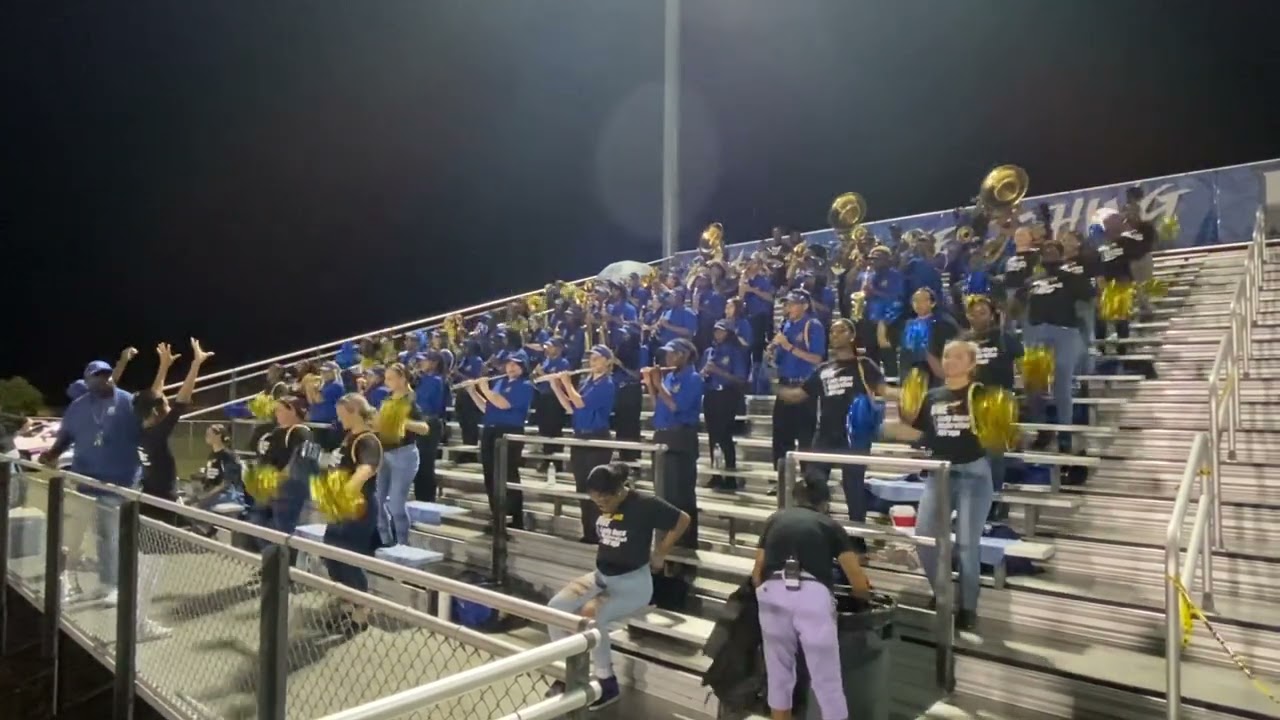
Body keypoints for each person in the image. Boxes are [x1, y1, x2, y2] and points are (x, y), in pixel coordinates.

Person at [544, 463, 690, 710]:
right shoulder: (603, 502)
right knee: (555, 608)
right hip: (601, 576)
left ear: (619, 491)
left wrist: (661, 552)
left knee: (592, 616)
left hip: (634, 584)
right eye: (595, 499)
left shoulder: (644, 504)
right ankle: (567, 672)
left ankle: (607, 682)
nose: (599, 504)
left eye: (604, 500)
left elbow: (683, 519)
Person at [882, 340, 994, 631]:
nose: (949, 361)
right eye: (946, 356)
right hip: (939, 474)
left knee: (968, 544)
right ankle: (942, 594)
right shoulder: (932, 396)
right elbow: (920, 435)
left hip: (973, 475)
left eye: (957, 357)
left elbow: (990, 437)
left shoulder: (980, 394)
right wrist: (896, 427)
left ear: (972, 364)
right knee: (924, 539)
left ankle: (968, 607)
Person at [750, 477, 873, 720]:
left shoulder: (774, 519)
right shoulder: (829, 525)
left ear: (795, 498)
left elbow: (757, 572)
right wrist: (862, 601)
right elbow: (856, 578)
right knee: (826, 681)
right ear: (825, 504)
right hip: (812, 597)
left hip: (772, 593)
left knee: (779, 675)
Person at [777, 319, 891, 553]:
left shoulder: (864, 364)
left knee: (854, 488)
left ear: (852, 335)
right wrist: (776, 388)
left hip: (854, 435)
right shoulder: (823, 369)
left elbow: (883, 390)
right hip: (826, 434)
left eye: (841, 330)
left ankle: (857, 539)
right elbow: (799, 394)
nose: (835, 334)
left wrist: (908, 395)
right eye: (832, 330)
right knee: (813, 483)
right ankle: (815, 531)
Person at [39, 352, 143, 606]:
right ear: (87, 381)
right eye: (98, 375)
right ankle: (97, 582)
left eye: (107, 374)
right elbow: (66, 436)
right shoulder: (78, 407)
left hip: (118, 480)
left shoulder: (127, 401)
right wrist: (52, 454)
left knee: (109, 534)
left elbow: (147, 429)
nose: (105, 379)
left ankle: (114, 586)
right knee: (87, 535)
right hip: (85, 479)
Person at [321, 393, 384, 632]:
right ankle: (347, 606)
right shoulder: (350, 438)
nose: (339, 419)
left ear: (353, 410)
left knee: (348, 560)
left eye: (341, 414)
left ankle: (361, 613)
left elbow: (366, 469)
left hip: (357, 507)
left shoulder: (367, 440)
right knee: (332, 556)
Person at [133, 339, 214, 521]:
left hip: (147, 496)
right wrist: (196, 364)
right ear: (155, 411)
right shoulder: (157, 435)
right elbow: (182, 401)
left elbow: (155, 397)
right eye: (165, 405)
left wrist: (163, 366)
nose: (168, 406)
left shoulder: (141, 428)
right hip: (163, 503)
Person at [1024, 240, 1089, 454]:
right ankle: (1043, 431)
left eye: (1053, 250)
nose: (1048, 252)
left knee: (1062, 384)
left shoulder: (1072, 277)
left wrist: (1084, 331)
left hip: (1064, 331)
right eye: (1045, 250)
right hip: (1037, 332)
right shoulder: (1032, 281)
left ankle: (1064, 435)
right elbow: (1015, 305)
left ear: (1061, 255)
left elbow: (1089, 299)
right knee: (1034, 386)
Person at [548, 345, 617, 543]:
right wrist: (556, 386)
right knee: (582, 487)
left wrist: (567, 382)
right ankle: (588, 531)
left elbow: (581, 403)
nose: (592, 362)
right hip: (580, 437)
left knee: (597, 488)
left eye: (596, 358)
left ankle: (599, 533)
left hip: (597, 437)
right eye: (591, 359)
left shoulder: (607, 384)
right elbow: (571, 407)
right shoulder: (587, 382)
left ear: (607, 361)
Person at [962, 296, 1022, 520]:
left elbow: (1021, 361)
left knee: (995, 454)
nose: (978, 317)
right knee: (973, 453)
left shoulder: (1004, 338)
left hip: (999, 398)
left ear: (991, 314)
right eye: (973, 313)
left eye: (982, 312)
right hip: (971, 398)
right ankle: (976, 500)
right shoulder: (964, 340)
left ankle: (995, 500)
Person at [643, 338, 703, 550]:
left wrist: (659, 384)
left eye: (673, 354)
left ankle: (685, 543)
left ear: (685, 355)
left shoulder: (693, 378)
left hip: (681, 438)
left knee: (681, 495)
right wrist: (652, 384)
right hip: (662, 435)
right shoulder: (669, 377)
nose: (667, 358)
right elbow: (659, 404)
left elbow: (676, 407)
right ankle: (666, 541)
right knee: (664, 492)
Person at [467, 350, 535, 531]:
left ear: (522, 367)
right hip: (490, 430)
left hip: (508, 432)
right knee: (489, 474)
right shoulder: (499, 382)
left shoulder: (525, 385)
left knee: (507, 474)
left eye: (515, 364)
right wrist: (473, 392)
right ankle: (497, 514)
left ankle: (516, 516)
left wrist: (485, 389)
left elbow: (503, 404)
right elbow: (488, 407)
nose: (511, 367)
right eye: (508, 364)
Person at [770, 290, 826, 476]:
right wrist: (772, 353)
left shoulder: (812, 325)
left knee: (805, 437)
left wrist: (789, 346)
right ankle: (782, 479)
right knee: (780, 435)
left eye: (792, 304)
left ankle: (806, 481)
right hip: (786, 384)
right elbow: (780, 359)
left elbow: (817, 358)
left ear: (805, 305)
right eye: (786, 305)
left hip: (804, 386)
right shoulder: (785, 325)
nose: (788, 308)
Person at [373, 363, 430, 547]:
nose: (386, 382)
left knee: (396, 504)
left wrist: (403, 421)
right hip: (384, 453)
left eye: (390, 378)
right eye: (386, 378)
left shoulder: (411, 400)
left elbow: (424, 428)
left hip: (404, 454)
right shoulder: (387, 399)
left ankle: (403, 544)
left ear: (402, 379)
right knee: (377, 500)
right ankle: (385, 541)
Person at [701, 320, 749, 492]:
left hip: (727, 395)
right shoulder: (709, 351)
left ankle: (730, 477)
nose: (717, 334)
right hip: (711, 394)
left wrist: (719, 371)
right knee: (712, 437)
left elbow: (741, 378)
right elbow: (702, 374)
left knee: (724, 436)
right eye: (715, 331)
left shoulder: (735, 351)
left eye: (721, 331)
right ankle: (716, 475)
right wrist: (704, 373)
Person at [412, 351, 448, 503]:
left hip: (429, 423)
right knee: (418, 463)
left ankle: (427, 499)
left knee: (425, 464)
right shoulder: (421, 379)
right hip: (418, 423)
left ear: (434, 363)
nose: (421, 364)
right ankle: (420, 497)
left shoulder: (436, 380)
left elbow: (428, 404)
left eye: (425, 361)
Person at [531, 338, 571, 472]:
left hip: (555, 399)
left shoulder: (563, 362)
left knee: (554, 430)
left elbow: (560, 382)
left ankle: (557, 462)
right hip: (542, 396)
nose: (547, 348)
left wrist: (543, 373)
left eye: (550, 346)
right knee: (544, 430)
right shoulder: (545, 361)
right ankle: (546, 459)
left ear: (558, 348)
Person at [191, 423, 246, 512]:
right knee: (189, 501)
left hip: (229, 494)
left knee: (196, 507)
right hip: (214, 491)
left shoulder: (228, 456)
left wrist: (207, 495)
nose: (206, 436)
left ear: (218, 436)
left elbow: (226, 484)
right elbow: (211, 476)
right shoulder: (212, 455)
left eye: (209, 434)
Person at [610, 323, 645, 461]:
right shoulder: (622, 348)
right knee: (621, 426)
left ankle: (633, 459)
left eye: (627, 334)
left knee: (631, 427)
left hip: (632, 391)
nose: (624, 337)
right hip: (619, 390)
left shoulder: (641, 350)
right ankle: (622, 456)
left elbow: (638, 375)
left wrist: (621, 365)